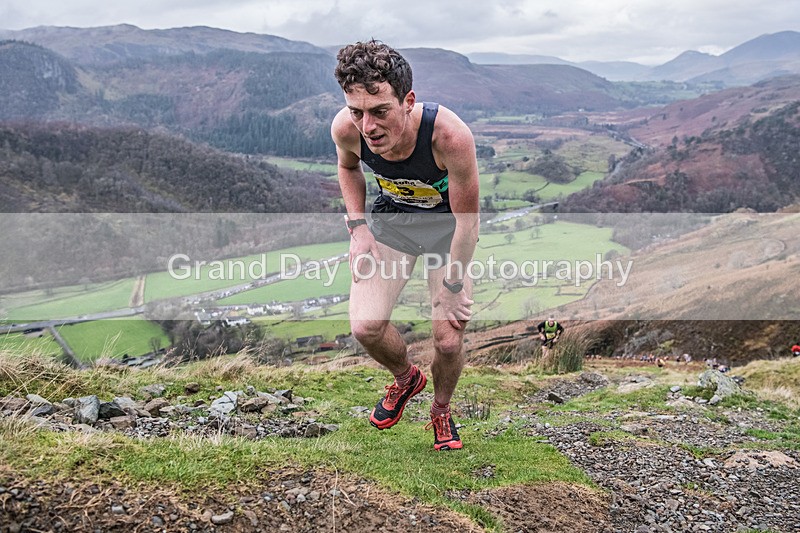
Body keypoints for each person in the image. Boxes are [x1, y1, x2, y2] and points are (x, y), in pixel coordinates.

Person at [331, 40, 480, 451]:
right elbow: (347, 168)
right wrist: (359, 229)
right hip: (394, 225)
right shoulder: (347, 130)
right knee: (366, 326)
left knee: (448, 337)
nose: (368, 127)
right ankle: (405, 378)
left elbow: (469, 223)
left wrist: (452, 286)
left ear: (408, 101)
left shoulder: (449, 137)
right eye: (356, 111)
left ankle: (440, 409)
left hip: (446, 233)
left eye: (380, 111)